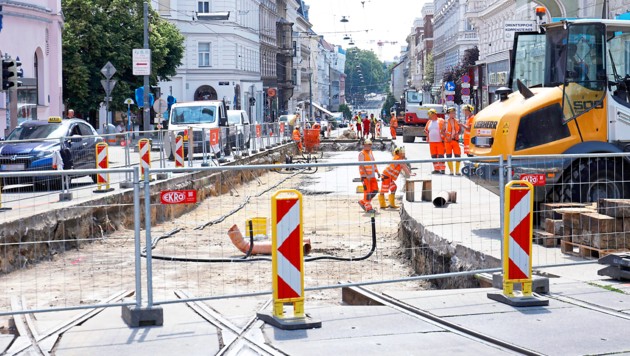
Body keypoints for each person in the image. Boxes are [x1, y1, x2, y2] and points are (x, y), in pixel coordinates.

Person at [358, 139, 380, 213]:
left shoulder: (370, 152)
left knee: (375, 190)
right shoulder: (361, 154)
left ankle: (363, 202)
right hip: (365, 176)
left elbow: (373, 163)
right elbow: (361, 165)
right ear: (364, 145)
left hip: (372, 175)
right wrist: (366, 175)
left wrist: (377, 172)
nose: (369, 146)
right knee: (367, 192)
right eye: (367, 145)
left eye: (370, 145)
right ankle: (368, 207)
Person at [424, 109, 446, 174]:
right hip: (432, 142)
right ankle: (436, 169)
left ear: (434, 114)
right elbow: (425, 130)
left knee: (441, 156)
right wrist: (427, 134)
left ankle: (442, 169)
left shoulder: (440, 121)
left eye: (430, 115)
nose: (429, 116)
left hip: (440, 142)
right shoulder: (429, 122)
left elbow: (445, 129)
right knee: (433, 156)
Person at [443, 107, 462, 175]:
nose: (453, 114)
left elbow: (460, 130)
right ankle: (451, 171)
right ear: (448, 114)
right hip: (448, 141)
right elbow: (442, 131)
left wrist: (458, 134)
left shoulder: (457, 121)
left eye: (454, 113)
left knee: (458, 155)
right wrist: (447, 137)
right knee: (448, 156)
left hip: (455, 141)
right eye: (451, 113)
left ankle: (457, 171)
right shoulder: (445, 122)